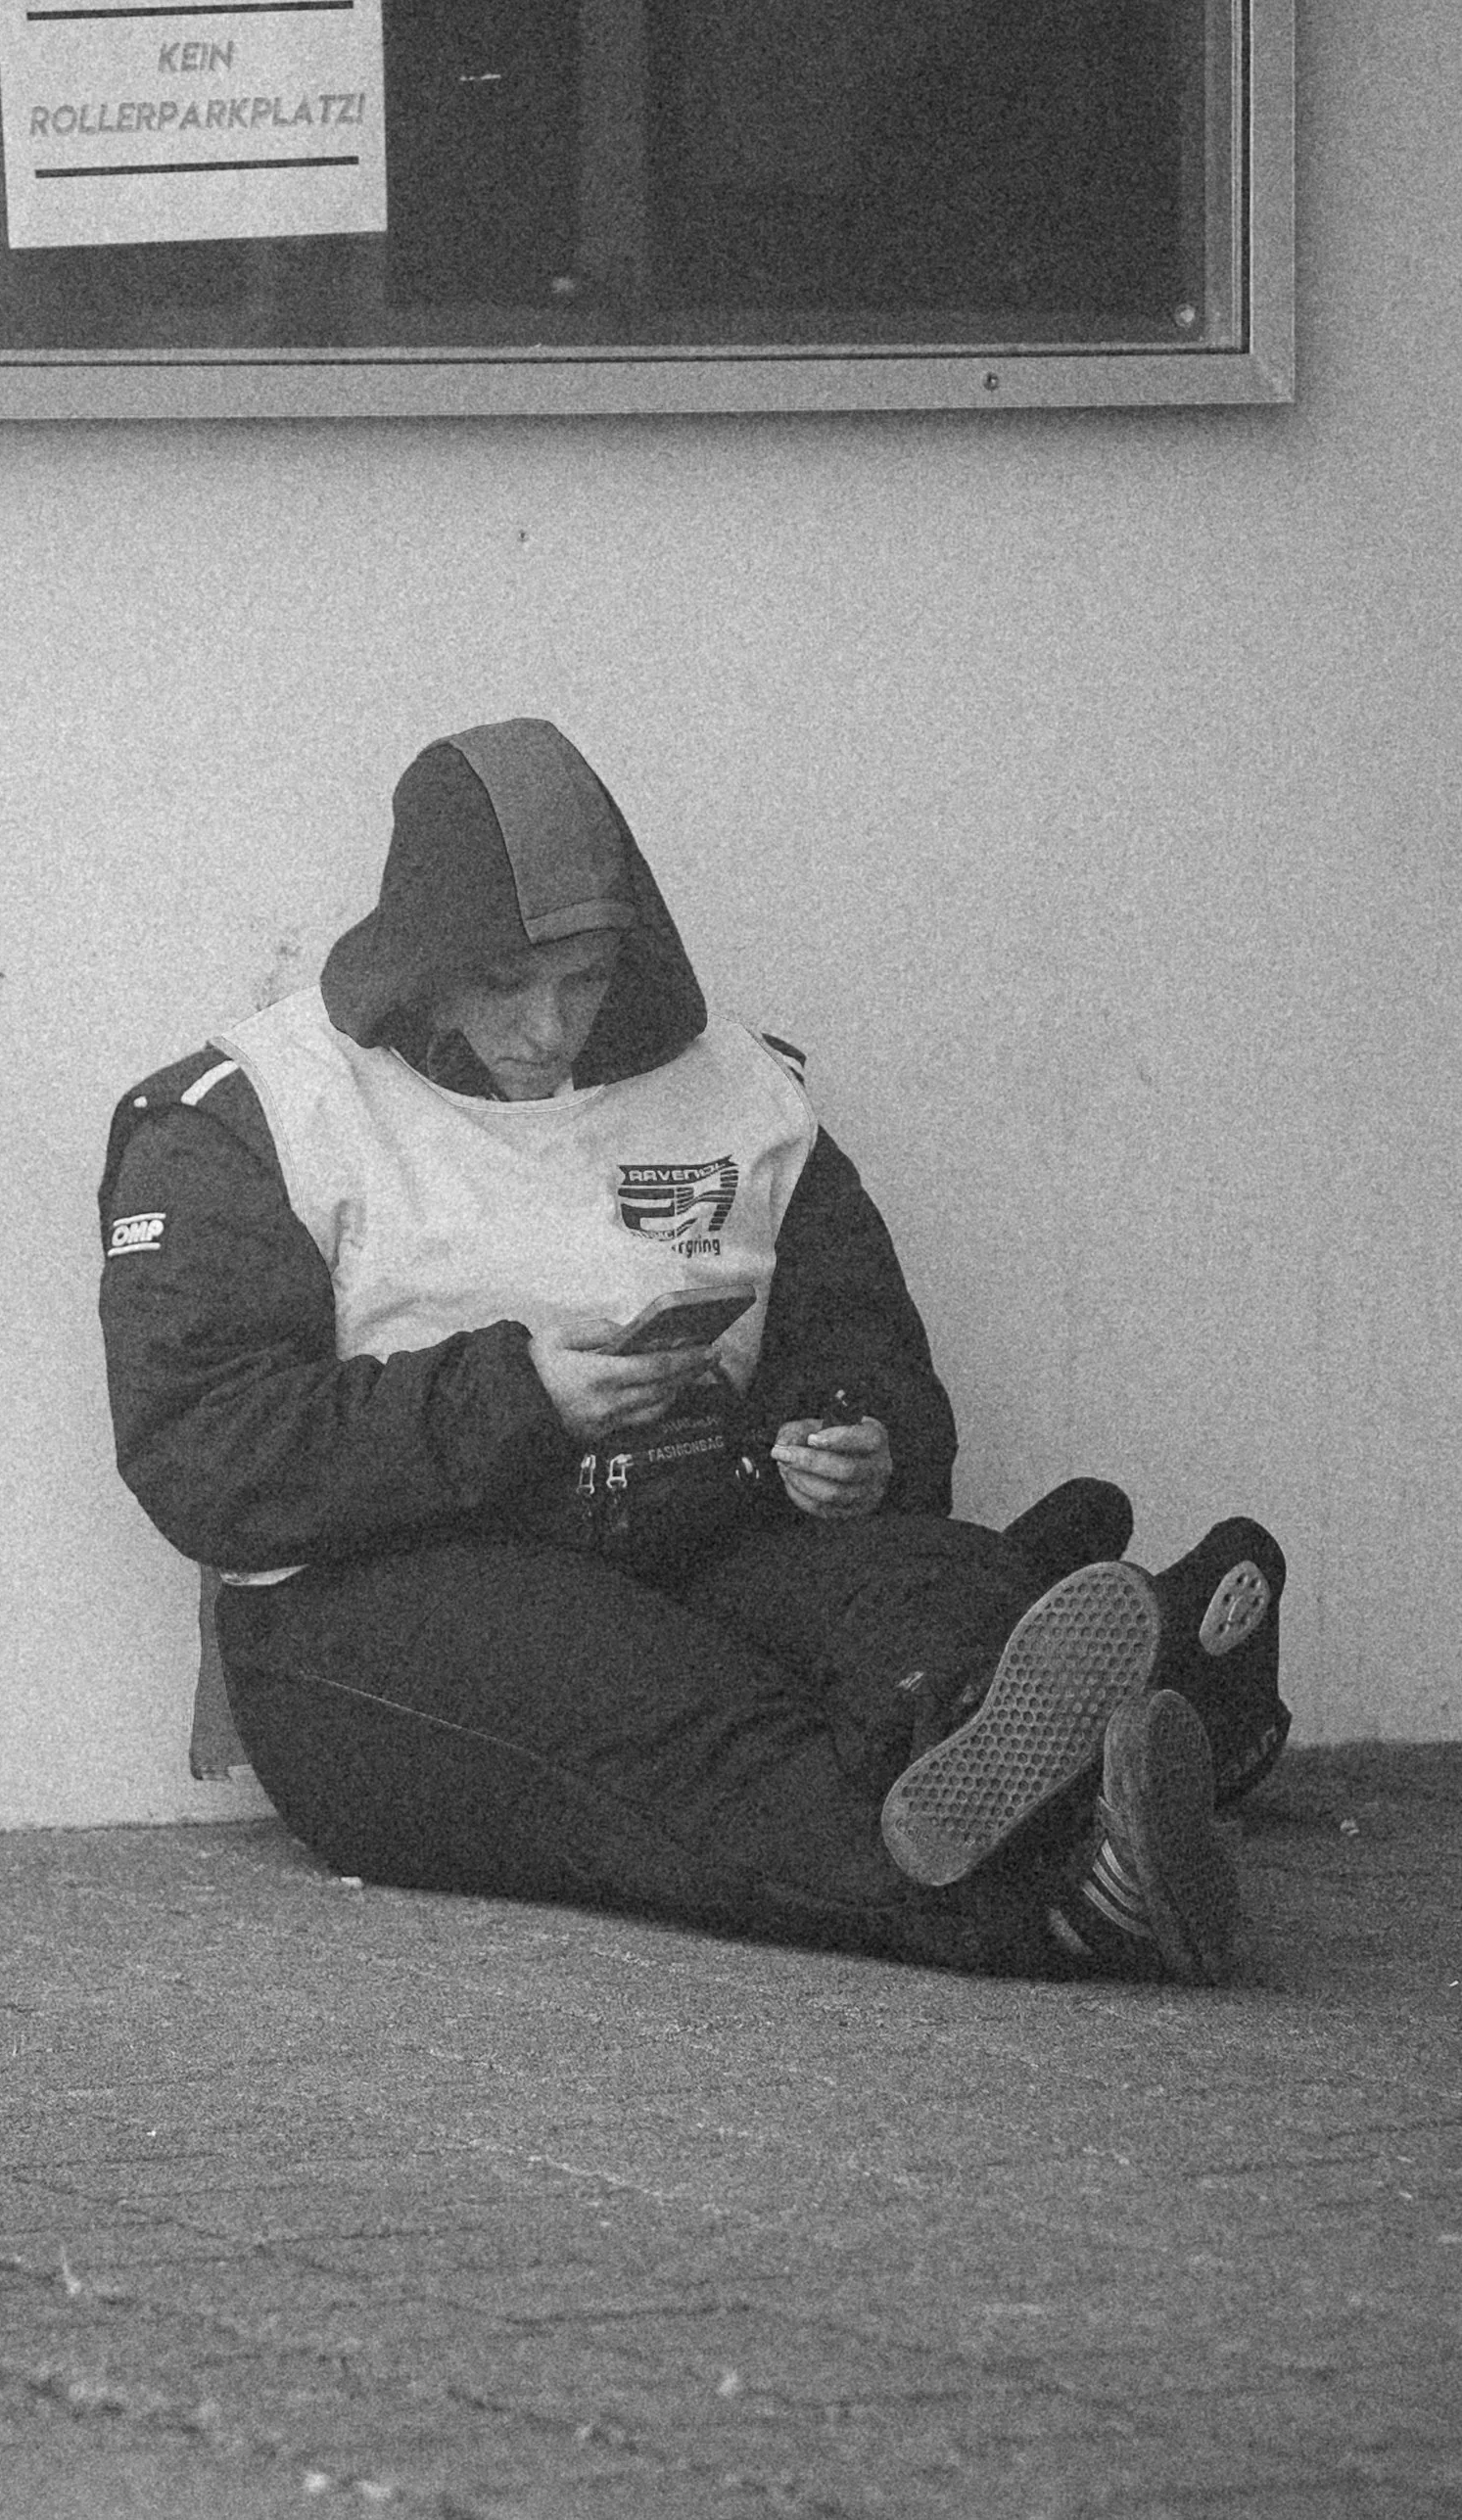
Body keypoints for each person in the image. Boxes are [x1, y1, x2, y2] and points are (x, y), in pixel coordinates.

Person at [98, 718, 1288, 1986]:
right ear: (423, 960)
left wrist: (859, 1437)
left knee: (913, 1598)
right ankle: (1065, 1883)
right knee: (685, 1729)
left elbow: (863, 1340)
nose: (550, 1028)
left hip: (705, 1533)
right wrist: (521, 1395)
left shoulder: (742, 1090)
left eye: (584, 978)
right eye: (503, 985)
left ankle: (1047, 1703)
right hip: (384, 1604)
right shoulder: (249, 1112)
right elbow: (204, 1450)